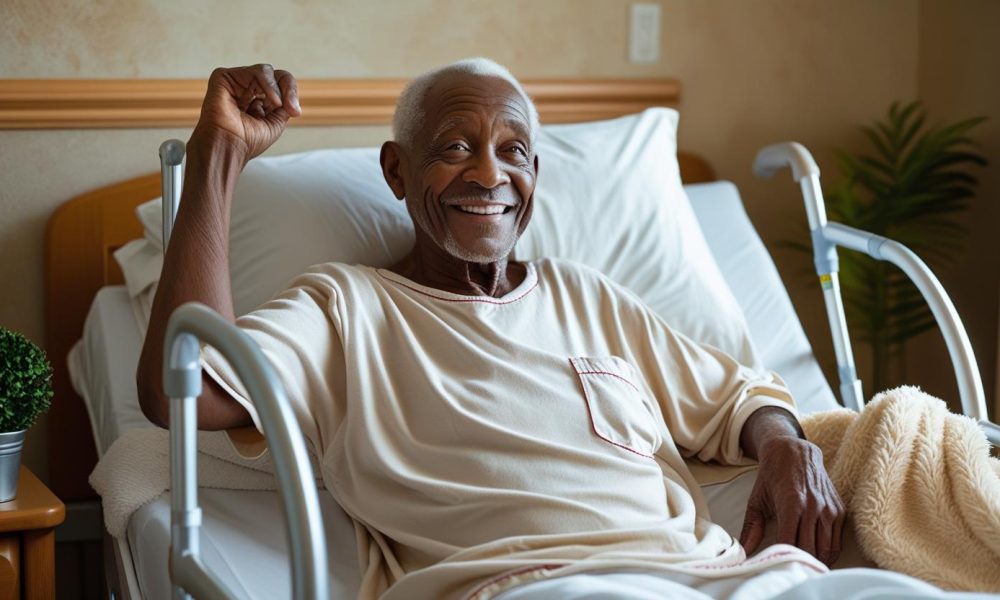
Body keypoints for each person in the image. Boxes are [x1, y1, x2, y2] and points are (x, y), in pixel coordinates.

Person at [135, 60, 909, 600]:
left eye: (514, 153)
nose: (488, 176)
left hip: (722, 575)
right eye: (455, 149)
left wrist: (784, 442)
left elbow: (738, 393)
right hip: (537, 586)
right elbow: (183, 385)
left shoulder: (586, 296)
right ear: (397, 172)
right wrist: (219, 153)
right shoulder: (347, 308)